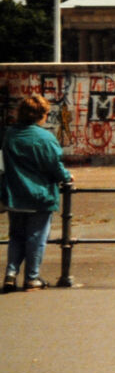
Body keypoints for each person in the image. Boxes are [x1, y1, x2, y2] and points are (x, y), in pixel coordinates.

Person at [2, 94, 73, 292]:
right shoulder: (45, 138)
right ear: (41, 115)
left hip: (14, 195)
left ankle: (10, 274)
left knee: (15, 236)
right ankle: (32, 278)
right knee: (36, 237)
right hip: (39, 196)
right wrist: (67, 177)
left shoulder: (10, 135)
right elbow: (54, 166)